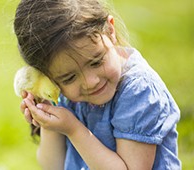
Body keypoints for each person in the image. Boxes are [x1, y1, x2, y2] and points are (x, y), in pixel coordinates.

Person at [13, 0, 181, 169]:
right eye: (70, 77)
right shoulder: (61, 91)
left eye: (96, 62)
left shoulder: (138, 90)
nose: (90, 82)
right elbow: (53, 166)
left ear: (110, 30)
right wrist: (49, 122)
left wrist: (73, 129)